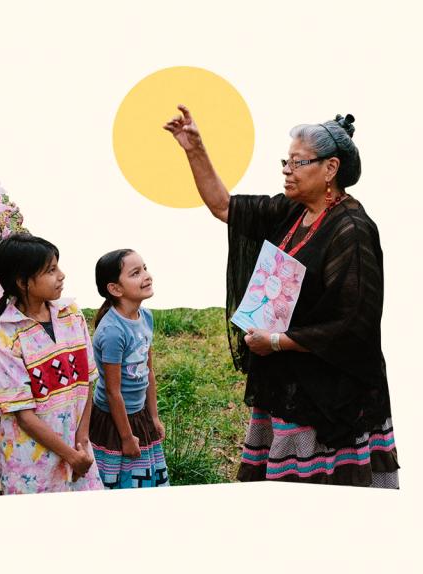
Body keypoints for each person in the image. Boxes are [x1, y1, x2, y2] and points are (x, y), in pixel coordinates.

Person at [164, 105, 399, 488]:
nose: (286, 169)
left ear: (330, 169)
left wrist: (275, 341)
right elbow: (224, 206)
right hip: (286, 382)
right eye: (285, 161)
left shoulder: (351, 231)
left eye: (297, 161)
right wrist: (194, 149)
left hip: (328, 396)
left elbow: (354, 325)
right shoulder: (291, 210)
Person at [0, 233, 104, 494]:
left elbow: (86, 383)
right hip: (31, 463)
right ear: (22, 281)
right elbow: (24, 416)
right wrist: (69, 455)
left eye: (57, 266)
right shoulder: (4, 337)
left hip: (79, 451)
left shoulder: (71, 315)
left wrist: (81, 440)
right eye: (51, 270)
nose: (61, 275)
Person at [88, 249, 170, 489]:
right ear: (115, 289)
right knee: (121, 480)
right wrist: (125, 437)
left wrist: (153, 416)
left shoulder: (145, 317)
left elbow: (148, 372)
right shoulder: (113, 331)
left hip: (139, 413)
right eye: (136, 273)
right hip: (115, 419)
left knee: (145, 474)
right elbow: (113, 392)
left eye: (145, 268)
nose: (147, 276)